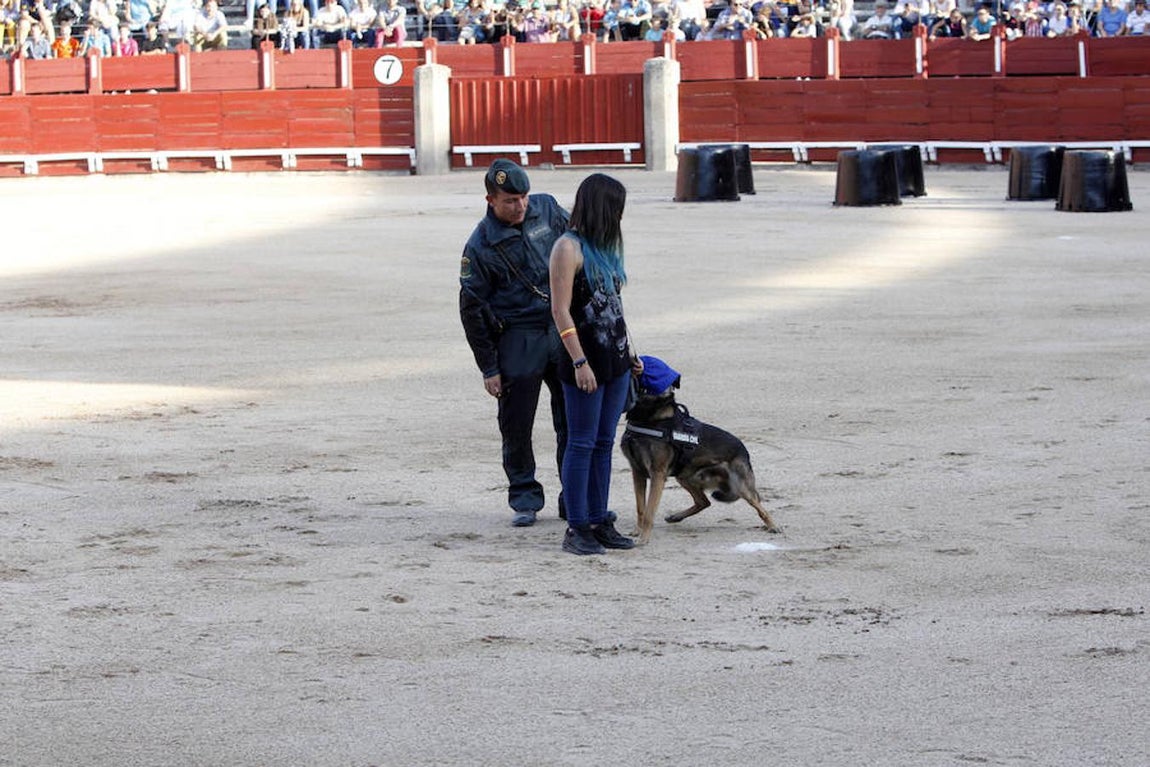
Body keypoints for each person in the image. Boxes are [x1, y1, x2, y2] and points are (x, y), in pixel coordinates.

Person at [459, 160, 571, 529]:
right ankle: (524, 497)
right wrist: (489, 367)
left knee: (571, 418)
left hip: (561, 326)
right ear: (490, 200)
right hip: (518, 336)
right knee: (516, 424)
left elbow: (578, 245)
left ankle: (573, 496)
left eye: (523, 197)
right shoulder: (480, 245)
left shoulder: (548, 209)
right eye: (510, 200)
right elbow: (471, 309)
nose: (520, 206)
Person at [547, 173, 640, 556]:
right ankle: (578, 525)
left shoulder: (607, 247)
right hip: (583, 360)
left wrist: (630, 352)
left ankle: (600, 519)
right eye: (615, 208)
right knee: (581, 441)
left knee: (603, 442)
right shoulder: (568, 248)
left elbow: (614, 307)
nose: (619, 216)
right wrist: (579, 361)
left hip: (615, 359)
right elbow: (560, 310)